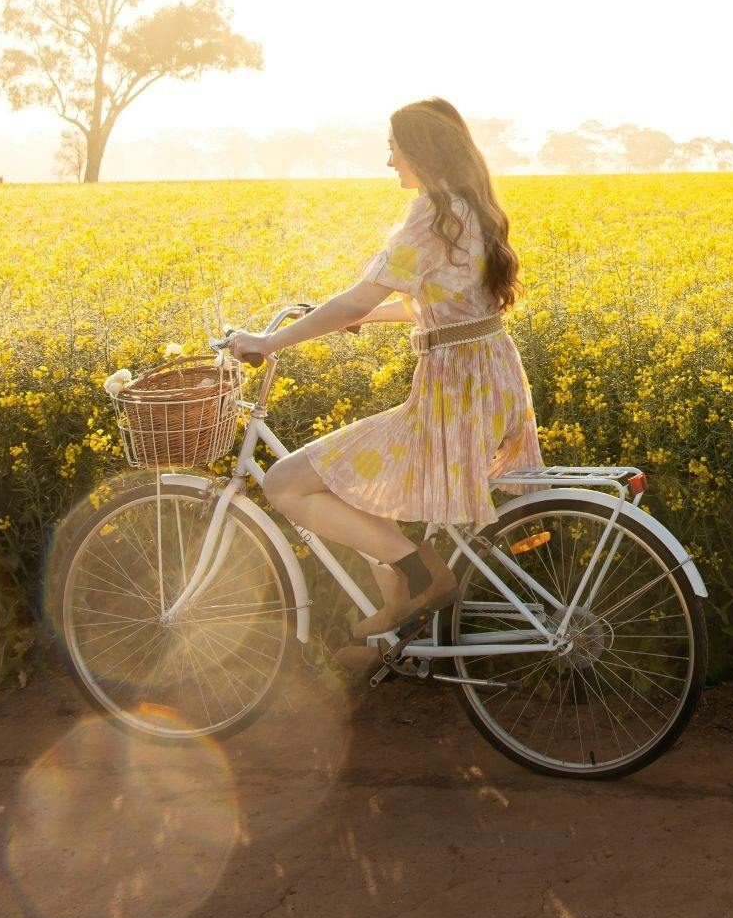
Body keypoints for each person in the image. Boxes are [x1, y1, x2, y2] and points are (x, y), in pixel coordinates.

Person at [229, 99, 541, 649]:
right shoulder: (471, 208)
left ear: (420, 150)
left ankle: (421, 578)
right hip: (489, 387)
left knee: (285, 482)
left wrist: (268, 341)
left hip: (451, 404)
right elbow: (446, 301)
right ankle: (399, 614)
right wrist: (371, 317)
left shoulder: (431, 215)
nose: (389, 161)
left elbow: (356, 298)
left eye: (394, 149)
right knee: (357, 484)